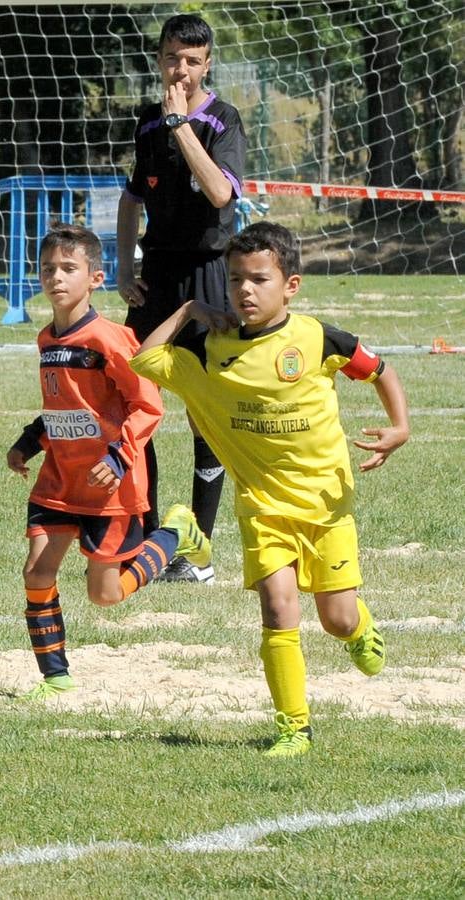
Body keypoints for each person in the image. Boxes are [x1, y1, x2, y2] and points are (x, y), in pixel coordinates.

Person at [131, 222, 409, 757]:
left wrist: (400, 427)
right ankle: (293, 728)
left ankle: (358, 627)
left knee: (337, 618)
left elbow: (378, 370)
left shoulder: (316, 338)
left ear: (291, 286)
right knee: (279, 609)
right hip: (261, 507)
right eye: (235, 279)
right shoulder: (210, 349)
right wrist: (189, 309)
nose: (245, 291)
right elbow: (144, 357)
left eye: (259, 279)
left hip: (326, 504)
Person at [8, 223, 211, 701]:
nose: (56, 277)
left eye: (68, 268)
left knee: (105, 595)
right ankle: (56, 678)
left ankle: (177, 532)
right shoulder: (46, 340)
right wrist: (27, 442)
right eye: (47, 269)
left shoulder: (111, 340)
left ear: (95, 278)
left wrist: (120, 457)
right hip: (59, 481)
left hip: (109, 488)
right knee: (37, 572)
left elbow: (148, 404)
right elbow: (65, 406)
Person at [116, 12, 247, 583]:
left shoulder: (223, 120)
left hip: (208, 275)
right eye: (173, 58)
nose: (182, 69)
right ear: (160, 59)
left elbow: (221, 193)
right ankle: (146, 539)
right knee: (136, 403)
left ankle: (198, 553)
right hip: (156, 276)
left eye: (193, 61)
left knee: (204, 414)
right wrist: (123, 265)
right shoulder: (147, 122)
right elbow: (129, 200)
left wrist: (181, 126)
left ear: (207, 64)